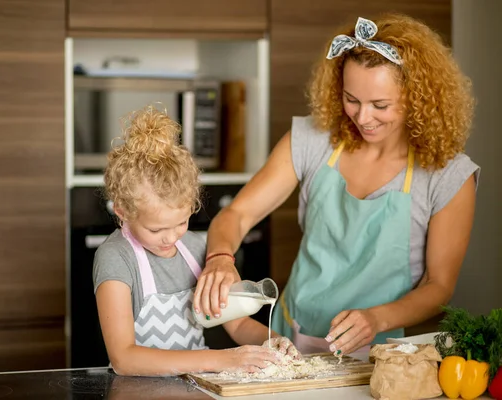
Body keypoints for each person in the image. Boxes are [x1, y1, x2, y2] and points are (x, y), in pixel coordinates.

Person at [193, 14, 480, 357]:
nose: (362, 117)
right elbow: (237, 214)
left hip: (376, 354)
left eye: (380, 105)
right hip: (288, 338)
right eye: (351, 99)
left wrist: (375, 318)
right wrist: (220, 258)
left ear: (418, 97)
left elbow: (439, 286)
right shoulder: (313, 140)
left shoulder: (446, 175)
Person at [92, 104, 299, 377]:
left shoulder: (196, 248)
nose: (171, 237)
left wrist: (271, 340)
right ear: (122, 212)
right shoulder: (116, 257)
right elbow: (124, 358)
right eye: (156, 230)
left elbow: (237, 325)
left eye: (181, 222)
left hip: (196, 386)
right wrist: (220, 360)